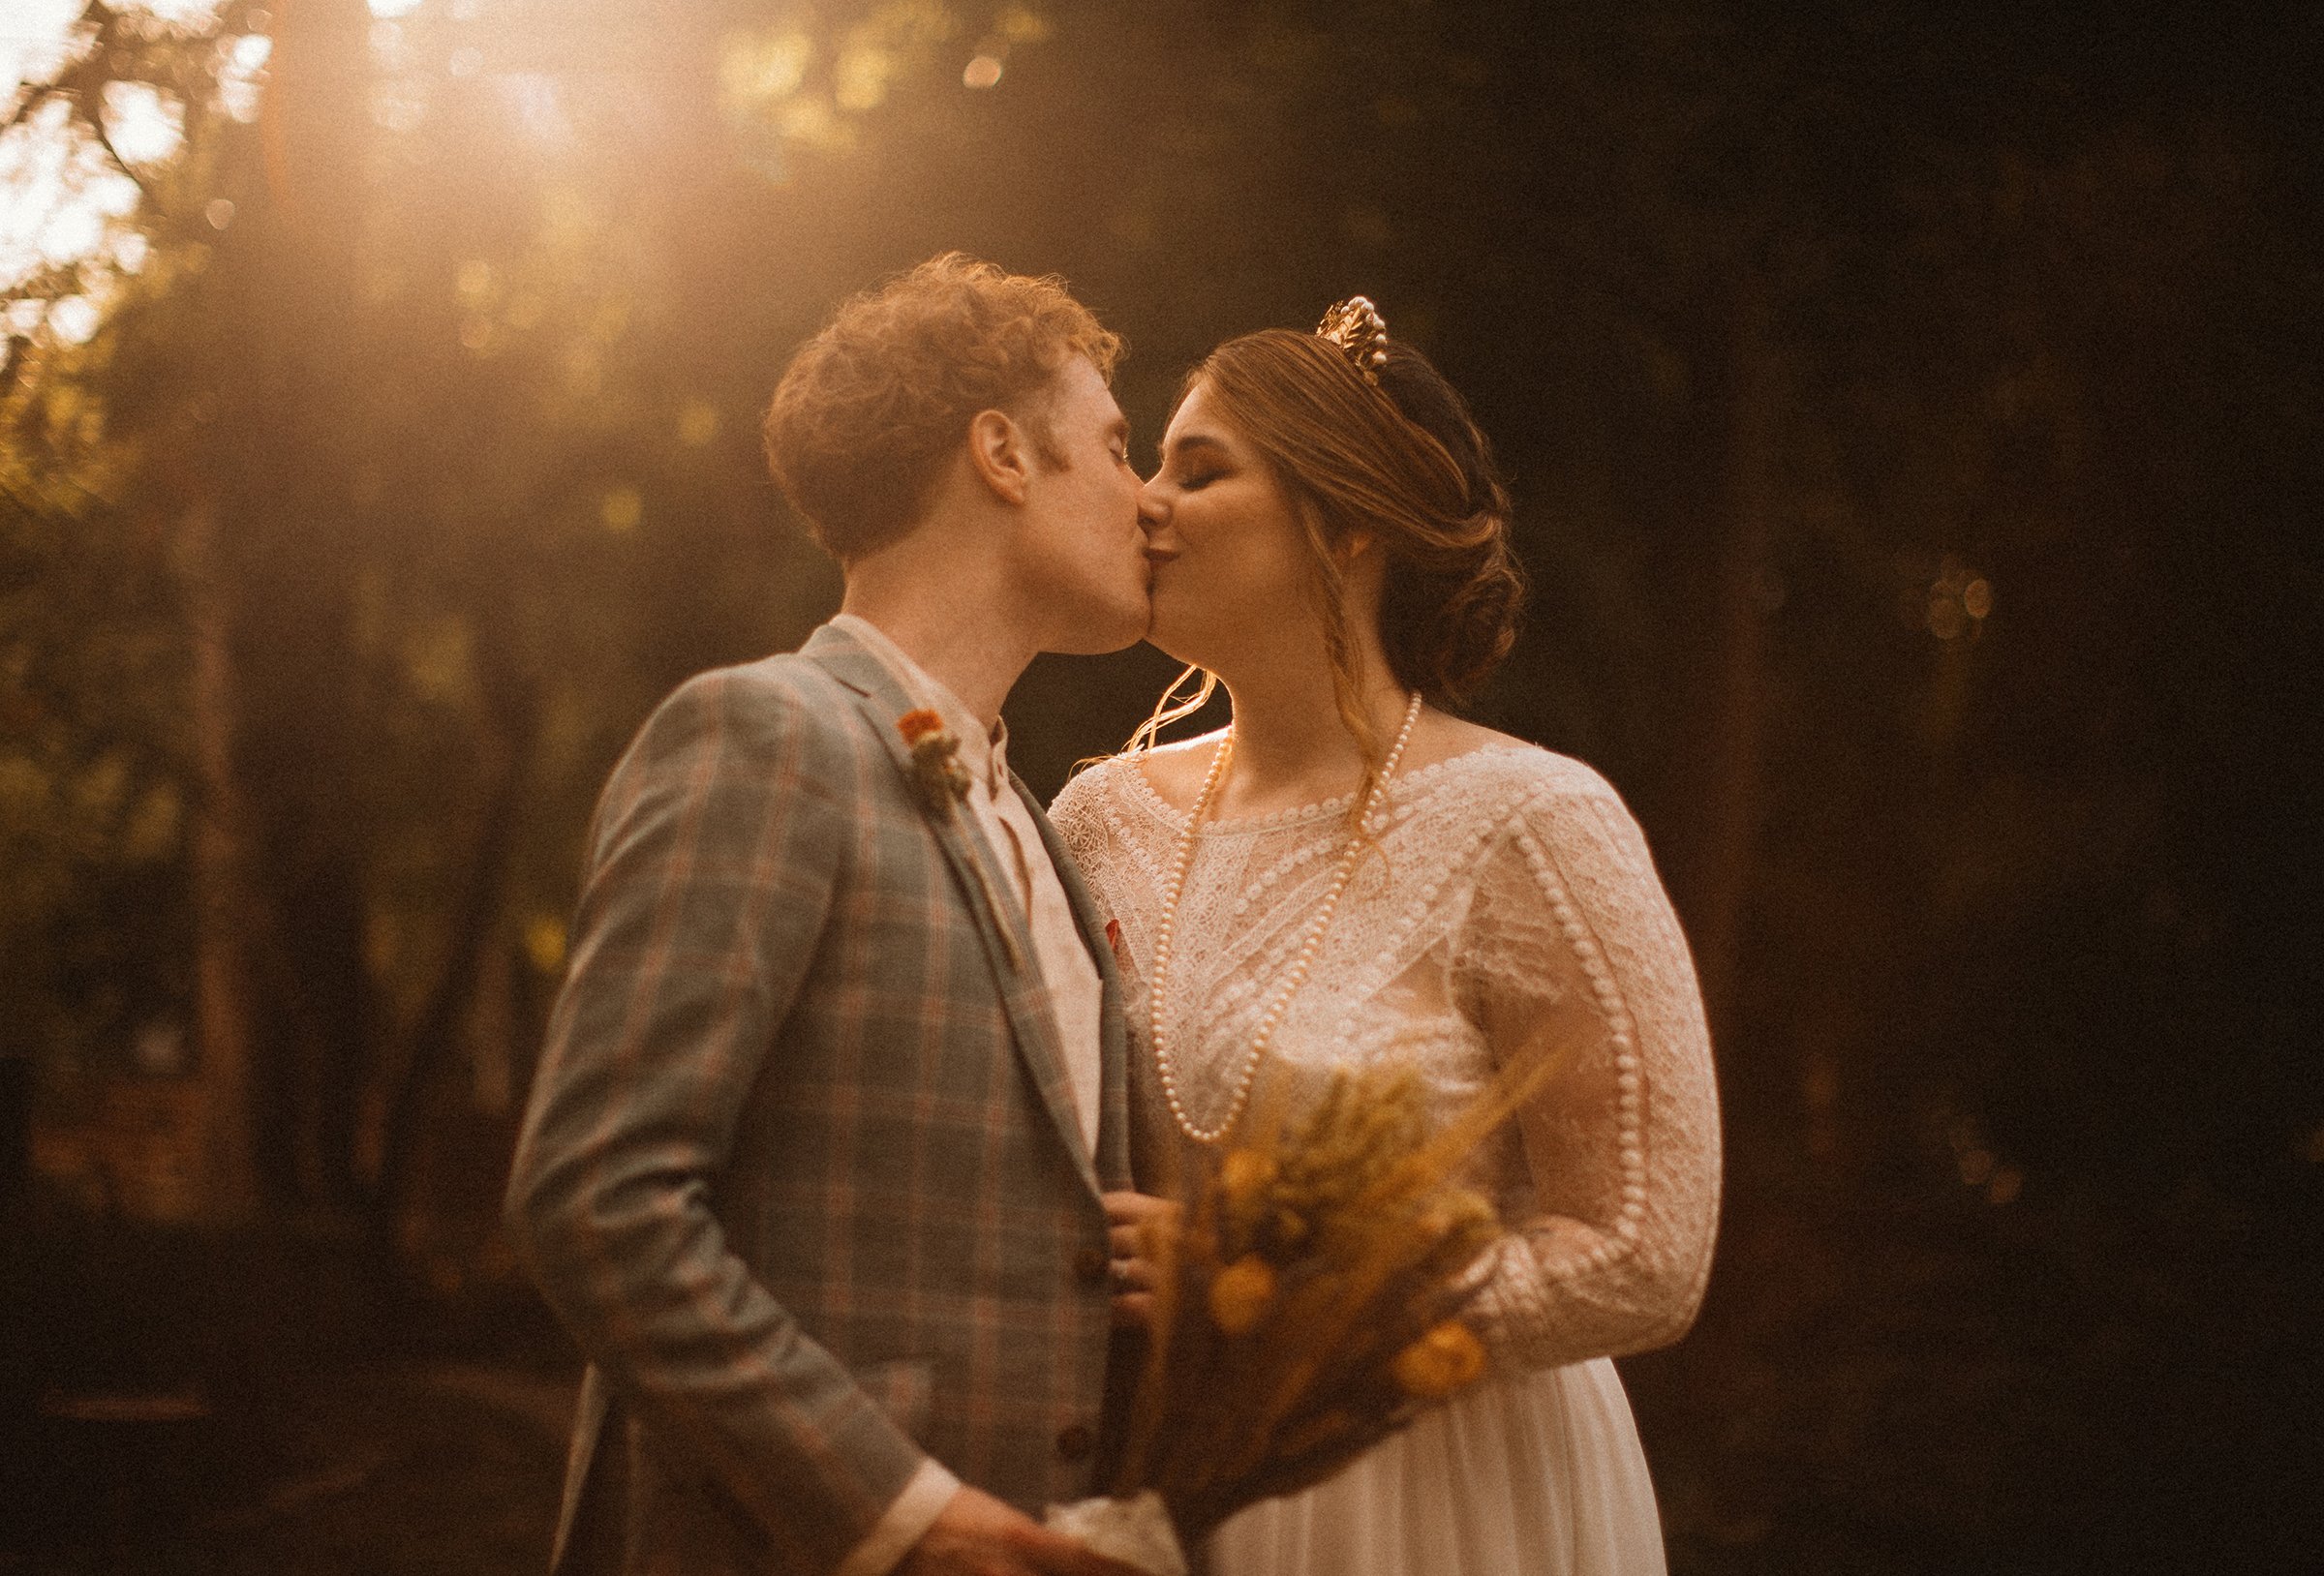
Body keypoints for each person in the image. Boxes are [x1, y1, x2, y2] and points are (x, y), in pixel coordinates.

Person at [505, 255, 1153, 1576]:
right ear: (1003, 454)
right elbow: (597, 1196)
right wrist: (898, 1511)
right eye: (1117, 447)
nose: (1149, 502)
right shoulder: (763, 736)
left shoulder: (1038, 822)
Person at [1053, 299, 1722, 1575]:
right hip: (1164, 1480)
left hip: (1450, 1495)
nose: (1145, 502)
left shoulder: (1530, 823)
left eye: (1200, 471)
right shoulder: (1095, 818)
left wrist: (1298, 1301)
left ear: (1349, 522)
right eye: (1152, 464)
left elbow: (1647, 1256)